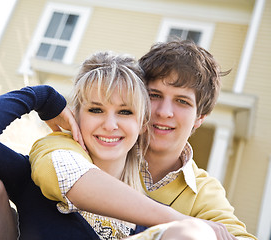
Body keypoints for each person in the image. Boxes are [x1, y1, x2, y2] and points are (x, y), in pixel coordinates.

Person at [0, 50, 213, 240]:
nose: (110, 124)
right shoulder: (34, 177)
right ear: (77, 116)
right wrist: (41, 97)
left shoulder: (152, 217)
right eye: (95, 110)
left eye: (125, 112)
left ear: (142, 125)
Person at [28, 41, 256, 240]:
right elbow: (61, 172)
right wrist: (183, 222)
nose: (164, 112)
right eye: (154, 96)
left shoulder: (203, 191)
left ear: (199, 119)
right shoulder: (90, 143)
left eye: (182, 102)